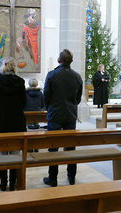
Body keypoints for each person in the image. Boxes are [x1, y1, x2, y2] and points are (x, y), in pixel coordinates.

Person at [43, 49, 83, 187]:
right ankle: (71, 177)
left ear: (59, 60)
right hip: (70, 114)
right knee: (70, 147)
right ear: (71, 61)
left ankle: (52, 178)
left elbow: (46, 97)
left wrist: (50, 108)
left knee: (53, 147)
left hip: (54, 114)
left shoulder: (52, 75)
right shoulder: (77, 77)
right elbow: (77, 99)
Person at [0, 57, 26, 191]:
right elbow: (23, 103)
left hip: (0, 121)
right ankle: (13, 183)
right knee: (15, 154)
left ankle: (3, 183)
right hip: (17, 122)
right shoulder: (20, 82)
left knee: (2, 154)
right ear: (14, 67)